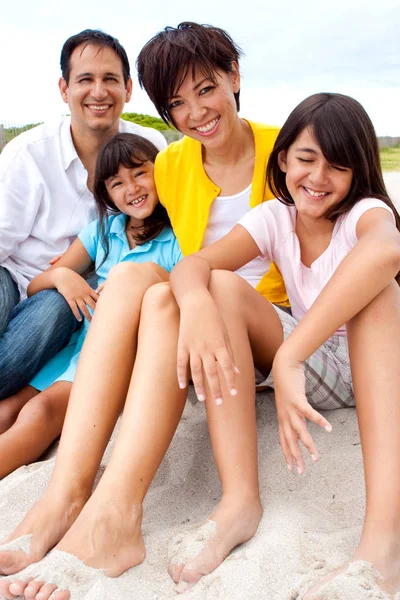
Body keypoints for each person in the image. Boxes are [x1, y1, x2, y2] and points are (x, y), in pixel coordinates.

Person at [0, 22, 287, 599]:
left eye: (206, 90)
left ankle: (111, 512)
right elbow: (130, 222)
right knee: (135, 279)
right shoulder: (174, 164)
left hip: (267, 324)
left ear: (235, 77)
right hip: (196, 314)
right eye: (176, 103)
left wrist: (200, 292)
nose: (196, 112)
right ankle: (72, 499)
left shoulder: (283, 147)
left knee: (187, 288)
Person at [164, 92, 400, 595]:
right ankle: (238, 503)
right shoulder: (276, 216)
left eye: (337, 165)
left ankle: (382, 544)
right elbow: (192, 266)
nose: (317, 179)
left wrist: (290, 355)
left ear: (358, 171)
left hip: (376, 364)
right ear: (285, 157)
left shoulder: (365, 213)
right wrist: (199, 304)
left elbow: (387, 248)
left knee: (379, 290)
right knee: (223, 285)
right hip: (320, 367)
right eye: (306, 159)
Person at [0, 133, 181, 481]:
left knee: (40, 413)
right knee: (7, 409)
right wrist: (63, 277)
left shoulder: (175, 238)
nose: (132, 188)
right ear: (106, 194)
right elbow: (38, 285)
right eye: (117, 183)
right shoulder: (102, 230)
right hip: (76, 345)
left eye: (140, 173)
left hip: (116, 354)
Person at [0, 28, 166, 402]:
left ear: (127, 88)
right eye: (85, 80)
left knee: (63, 308)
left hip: (77, 289)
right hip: (12, 274)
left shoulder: (149, 148)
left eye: (110, 79)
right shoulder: (27, 154)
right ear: (64, 89)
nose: (98, 91)